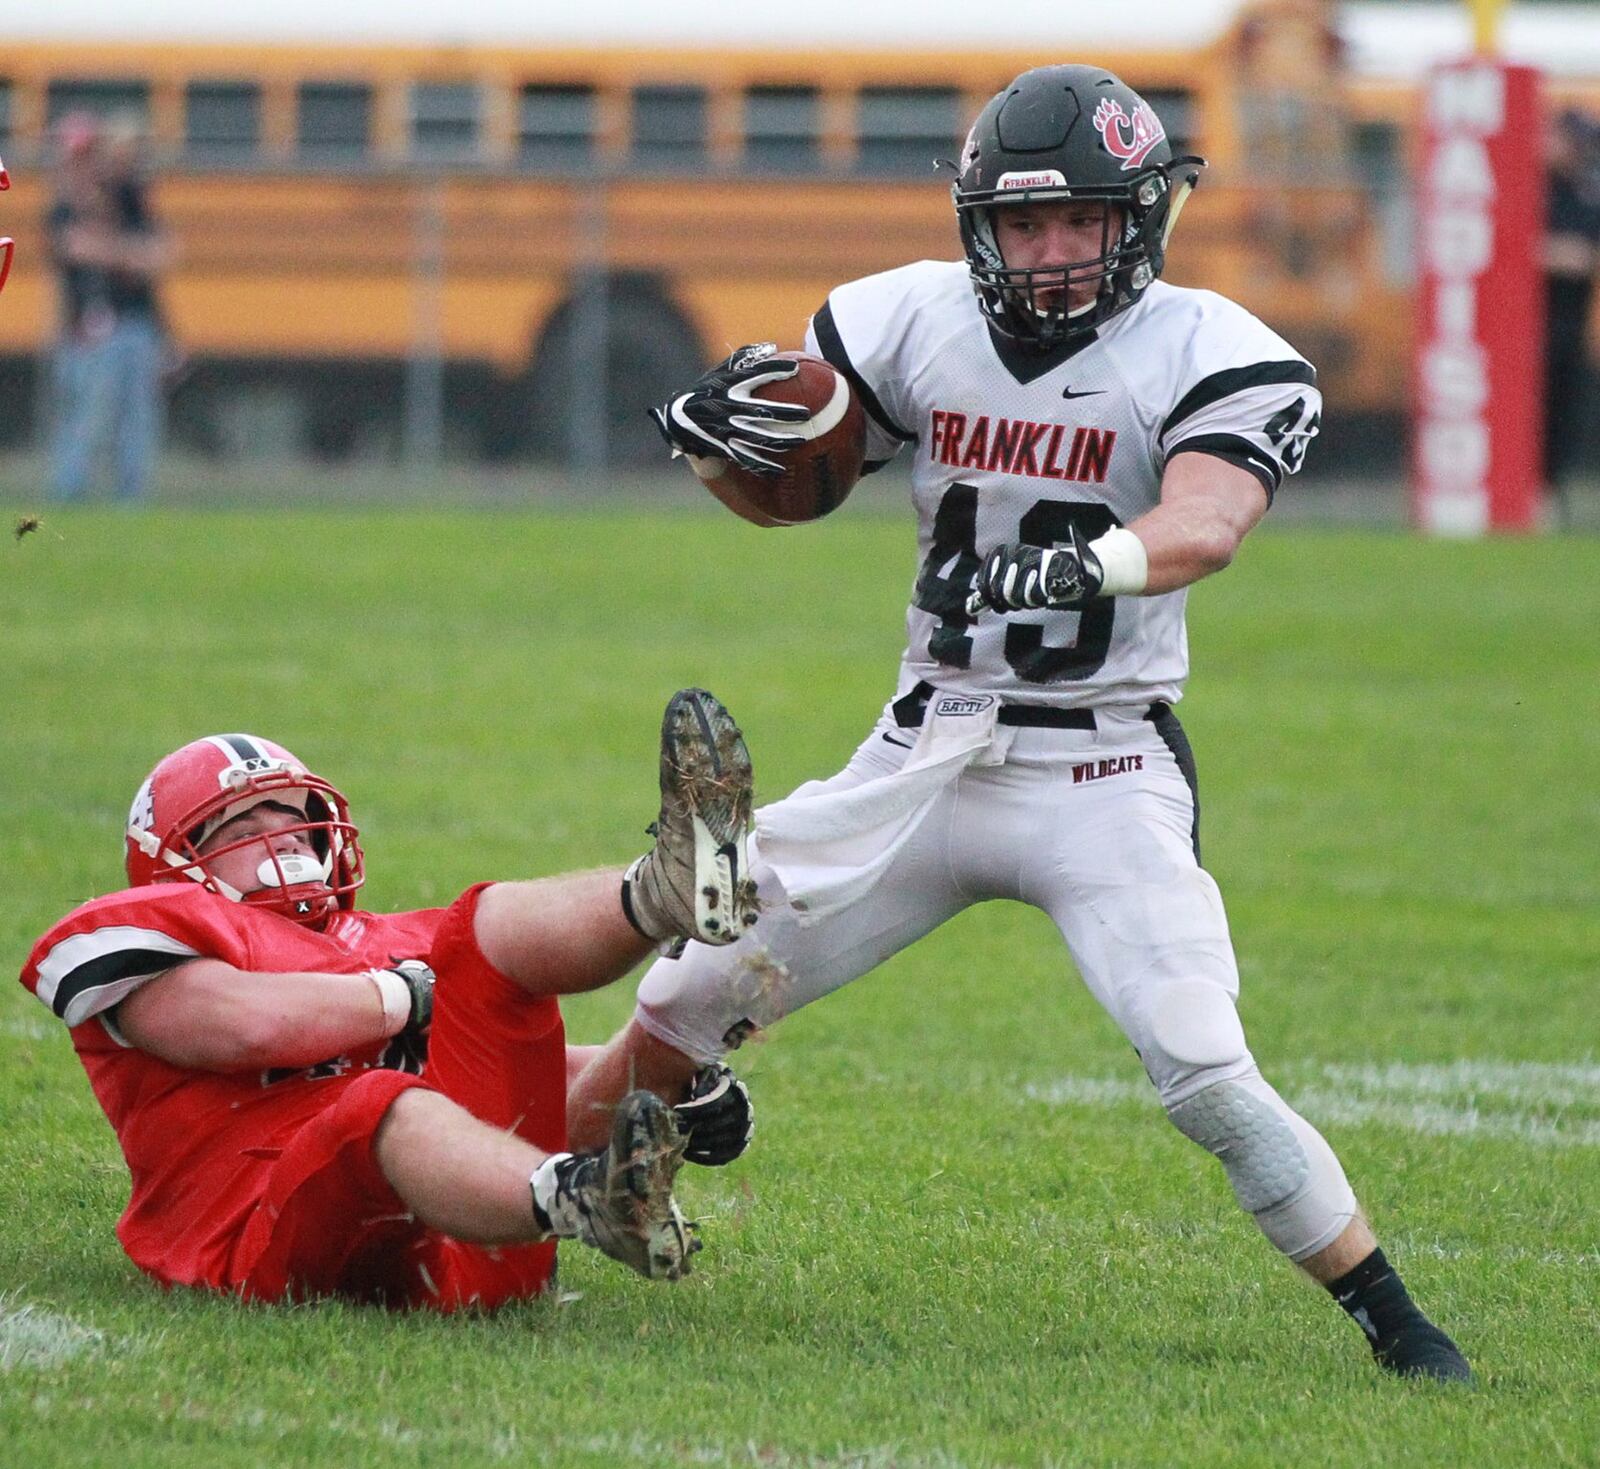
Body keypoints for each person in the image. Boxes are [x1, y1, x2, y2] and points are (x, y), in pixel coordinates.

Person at [577, 64, 1473, 1382]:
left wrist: (1090, 563)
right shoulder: (905, 319)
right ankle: (554, 1190)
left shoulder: (1210, 346)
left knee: (1202, 1064)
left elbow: (1209, 521)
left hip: (1101, 762)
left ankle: (1402, 1327)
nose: (1051, 253)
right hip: (926, 752)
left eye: (1083, 222)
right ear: (976, 223)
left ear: (1143, 220)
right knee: (687, 984)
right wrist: (719, 454)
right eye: (1023, 223)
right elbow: (795, 481)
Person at [19, 690, 760, 1309]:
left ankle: (665, 891)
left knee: (482, 928)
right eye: (245, 824)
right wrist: (401, 995)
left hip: (466, 1240)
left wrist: (672, 1083)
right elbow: (245, 1025)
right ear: (175, 860)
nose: (284, 833)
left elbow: (516, 1069)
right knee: (380, 1098)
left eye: (292, 811)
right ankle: (583, 1197)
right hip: (256, 1236)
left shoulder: (383, 938)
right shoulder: (166, 929)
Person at [46, 111, 174, 503]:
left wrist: (114, 251)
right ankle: (69, 496)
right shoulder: (64, 210)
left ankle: (128, 500)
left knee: (134, 420)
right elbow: (74, 247)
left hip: (134, 324)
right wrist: (129, 254)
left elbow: (163, 255)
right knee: (84, 419)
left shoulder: (127, 201)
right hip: (84, 330)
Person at [1544, 108, 1600, 520]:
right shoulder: (1532, 189)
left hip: (1569, 325)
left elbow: (1585, 255)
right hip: (1530, 328)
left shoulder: (1585, 192)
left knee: (1563, 412)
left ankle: (1550, 490)